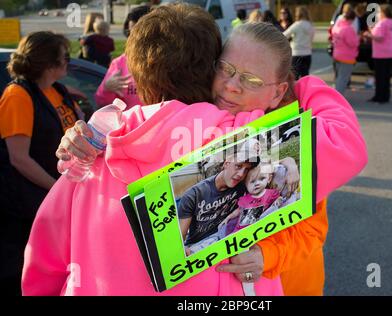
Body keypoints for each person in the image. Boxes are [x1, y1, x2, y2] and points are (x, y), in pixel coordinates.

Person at [32, 20, 367, 296]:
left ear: (279, 90)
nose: (233, 86)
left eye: (250, 79)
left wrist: (268, 255)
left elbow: (312, 231)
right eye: (226, 69)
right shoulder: (208, 129)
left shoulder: (282, 141)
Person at [0, 31, 82, 296]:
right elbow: (19, 158)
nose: (69, 61)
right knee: (21, 269)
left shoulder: (56, 90)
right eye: (65, 57)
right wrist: (57, 188)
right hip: (26, 206)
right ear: (49, 63)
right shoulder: (17, 96)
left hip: (54, 200)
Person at [95, 5, 152, 108]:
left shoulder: (169, 60)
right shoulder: (119, 63)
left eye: (139, 33)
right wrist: (106, 89)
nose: (133, 38)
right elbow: (102, 102)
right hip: (131, 123)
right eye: (130, 32)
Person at [219, 162, 281, 235]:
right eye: (252, 182)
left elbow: (280, 199)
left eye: (261, 179)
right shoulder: (244, 199)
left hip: (257, 230)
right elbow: (238, 210)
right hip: (239, 231)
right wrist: (228, 217)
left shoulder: (271, 193)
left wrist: (278, 199)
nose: (257, 183)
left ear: (269, 179)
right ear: (245, 185)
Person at [363, 4, 392, 104]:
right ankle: (385, 96)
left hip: (381, 53)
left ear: (383, 13)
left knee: (380, 76)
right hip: (391, 51)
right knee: (386, 76)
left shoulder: (382, 23)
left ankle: (379, 96)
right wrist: (372, 31)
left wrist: (369, 35)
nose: (377, 14)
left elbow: (379, 37)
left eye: (378, 12)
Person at [332, 8, 360, 95]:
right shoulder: (348, 29)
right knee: (343, 78)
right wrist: (358, 38)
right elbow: (353, 43)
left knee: (339, 77)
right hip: (347, 56)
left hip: (337, 54)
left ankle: (335, 94)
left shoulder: (337, 27)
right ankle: (337, 97)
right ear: (352, 19)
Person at [283, 6, 315, 79]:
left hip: (296, 53)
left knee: (294, 77)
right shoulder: (310, 25)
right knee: (305, 76)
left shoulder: (297, 25)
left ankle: (295, 90)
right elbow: (311, 38)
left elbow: (284, 35)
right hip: (307, 53)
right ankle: (305, 90)